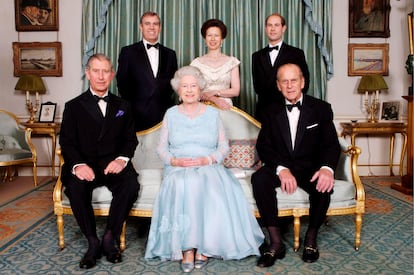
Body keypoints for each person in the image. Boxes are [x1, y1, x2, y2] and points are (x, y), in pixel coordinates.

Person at [144, 66, 264, 273]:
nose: (189, 90)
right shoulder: (171, 114)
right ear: (178, 90)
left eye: (193, 86)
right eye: (185, 86)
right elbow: (161, 148)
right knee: (184, 183)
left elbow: (223, 147)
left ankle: (206, 246)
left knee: (206, 183)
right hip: (178, 166)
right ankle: (187, 248)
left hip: (208, 164)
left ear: (200, 90)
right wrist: (176, 162)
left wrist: (208, 159)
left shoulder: (212, 114)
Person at [251, 63, 340, 267]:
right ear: (278, 85)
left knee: (323, 184)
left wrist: (327, 168)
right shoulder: (269, 110)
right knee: (260, 179)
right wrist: (281, 169)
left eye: (294, 80)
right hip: (282, 165)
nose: (290, 86)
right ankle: (275, 242)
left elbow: (331, 145)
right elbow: (264, 146)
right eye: (285, 81)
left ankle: (311, 239)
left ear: (303, 82)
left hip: (310, 166)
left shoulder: (321, 108)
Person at [59, 54, 140, 269]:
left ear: (112, 75)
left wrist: (122, 160)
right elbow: (67, 142)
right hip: (85, 163)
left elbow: (130, 139)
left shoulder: (124, 106)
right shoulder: (73, 106)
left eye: (106, 71)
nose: (101, 76)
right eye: (96, 71)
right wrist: (77, 164)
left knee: (130, 185)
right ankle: (92, 241)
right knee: (75, 188)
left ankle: (109, 236)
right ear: (88, 73)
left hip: (112, 163)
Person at [117, 11, 178, 131]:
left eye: (155, 24)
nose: (152, 27)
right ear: (141, 27)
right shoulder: (128, 52)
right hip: (137, 116)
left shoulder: (170, 54)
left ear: (160, 27)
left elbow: (173, 83)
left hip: (164, 115)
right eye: (147, 24)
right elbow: (122, 83)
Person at [252, 13, 310, 122]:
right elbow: (257, 87)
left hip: (289, 109)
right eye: (269, 25)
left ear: (283, 28)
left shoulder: (296, 53)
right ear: (265, 29)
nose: (272, 29)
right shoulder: (257, 56)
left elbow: (304, 83)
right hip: (265, 111)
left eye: (276, 25)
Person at [190, 19, 240, 110]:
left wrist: (216, 92)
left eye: (216, 35)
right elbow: (193, 91)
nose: (213, 39)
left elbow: (236, 91)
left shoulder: (232, 62)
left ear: (222, 39)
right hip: (202, 108)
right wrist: (214, 100)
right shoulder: (196, 64)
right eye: (209, 35)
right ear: (205, 39)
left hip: (225, 106)